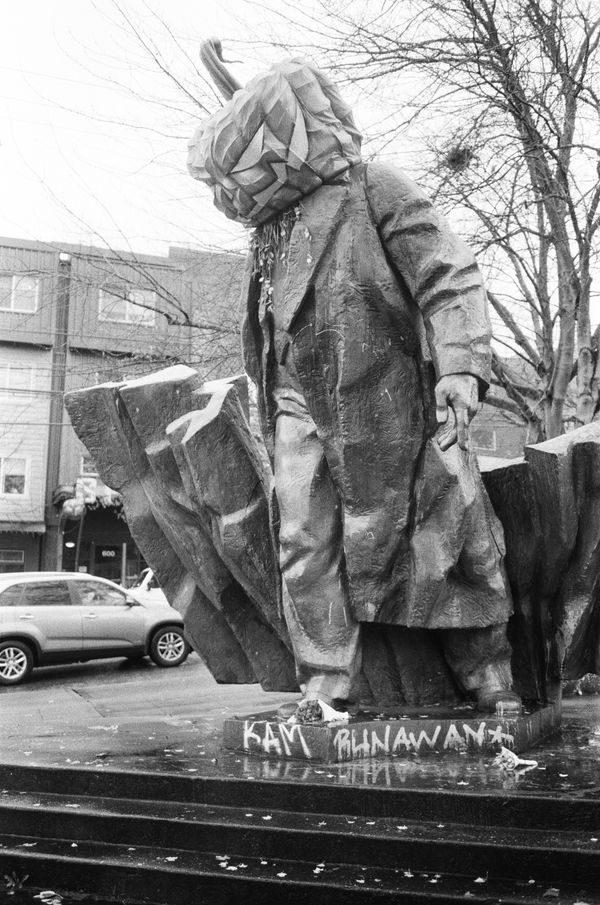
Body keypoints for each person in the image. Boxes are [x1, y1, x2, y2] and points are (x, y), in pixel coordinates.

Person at [188, 42, 521, 723]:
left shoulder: (375, 188)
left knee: (446, 536)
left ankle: (489, 671)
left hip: (389, 404)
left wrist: (461, 366)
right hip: (297, 403)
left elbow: (448, 273)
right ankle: (325, 681)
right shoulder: (273, 232)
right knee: (304, 541)